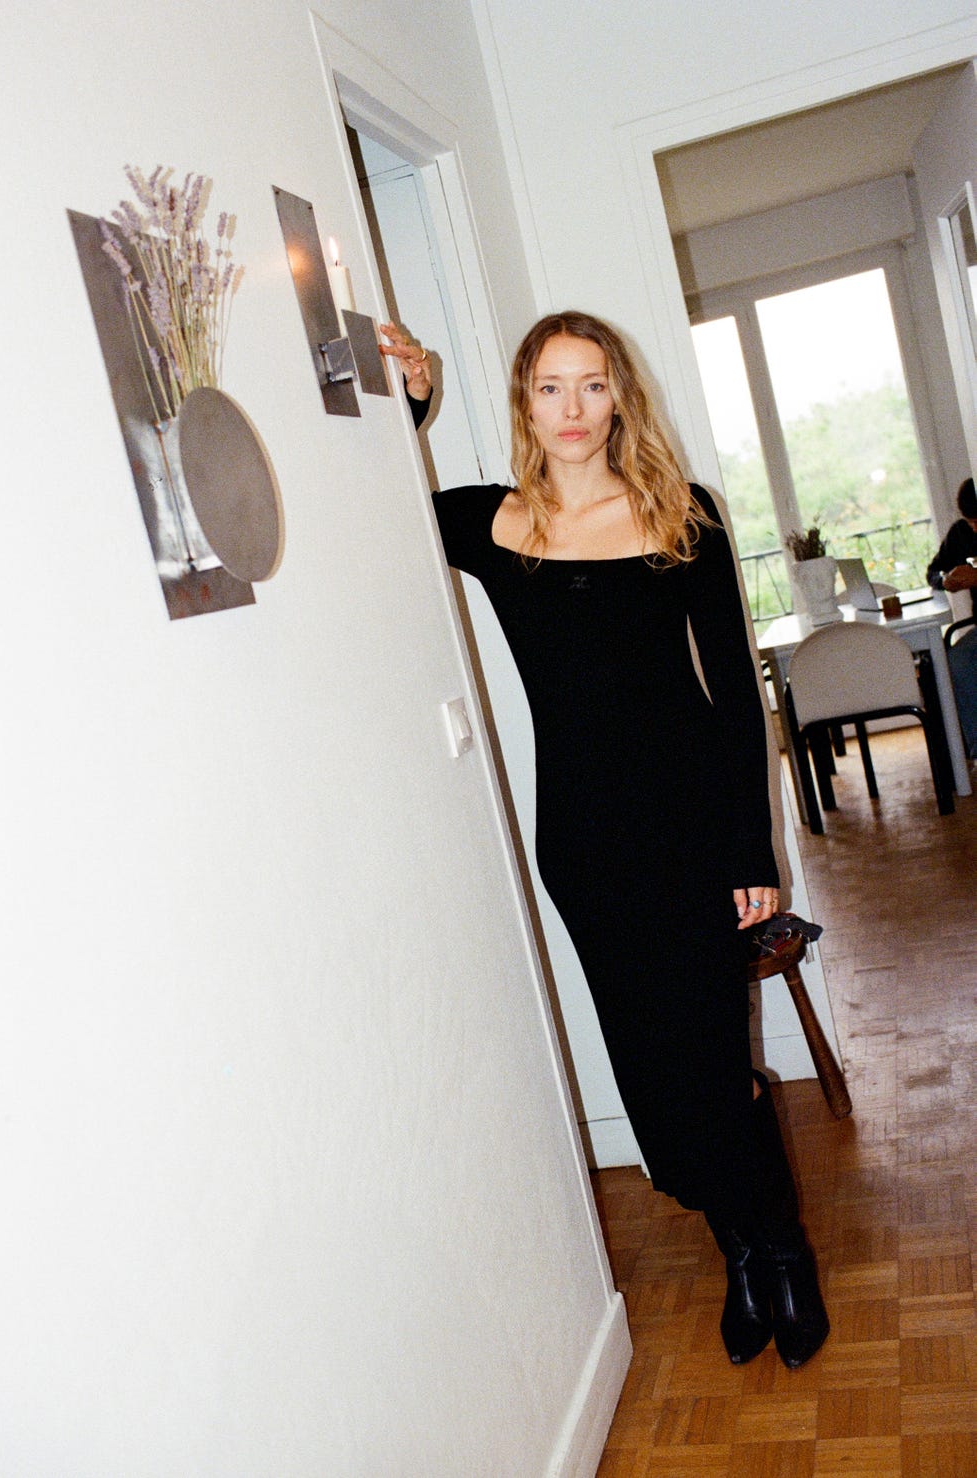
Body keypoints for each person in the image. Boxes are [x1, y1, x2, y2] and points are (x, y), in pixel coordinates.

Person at [380, 312, 829, 1370]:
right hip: (583, 844)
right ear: (523, 403)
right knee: (653, 1083)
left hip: (690, 838)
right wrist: (412, 397)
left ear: (619, 395)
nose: (571, 410)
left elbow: (730, 704)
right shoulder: (491, 526)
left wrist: (749, 853)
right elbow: (380, 506)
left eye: (590, 386)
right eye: (548, 388)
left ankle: (781, 1256)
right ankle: (736, 1247)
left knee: (716, 1069)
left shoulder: (682, 516)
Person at [927, 476, 977, 760]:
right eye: (970, 521)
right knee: (955, 661)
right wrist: (946, 580)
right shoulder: (961, 534)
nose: (974, 528)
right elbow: (933, 572)